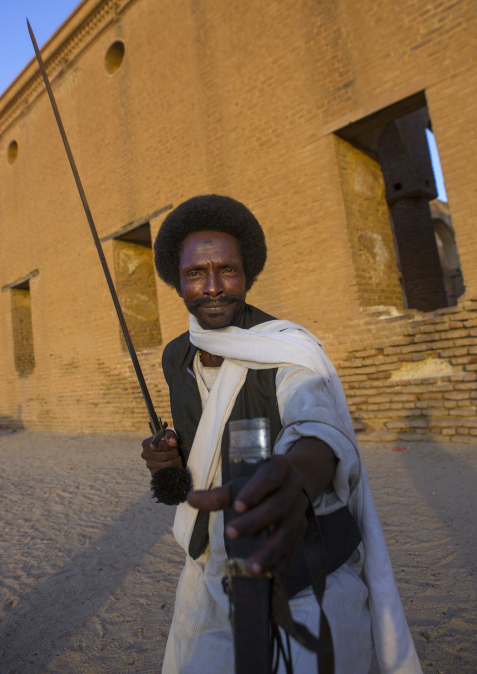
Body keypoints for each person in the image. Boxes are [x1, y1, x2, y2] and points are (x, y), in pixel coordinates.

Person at [141, 195, 422, 674]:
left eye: (226, 270)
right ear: (177, 280)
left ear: (247, 272)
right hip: (211, 570)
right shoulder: (176, 357)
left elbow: (317, 426)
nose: (212, 287)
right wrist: (169, 460)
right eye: (195, 274)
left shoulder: (287, 347)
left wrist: (295, 475)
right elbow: (201, 447)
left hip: (306, 573)